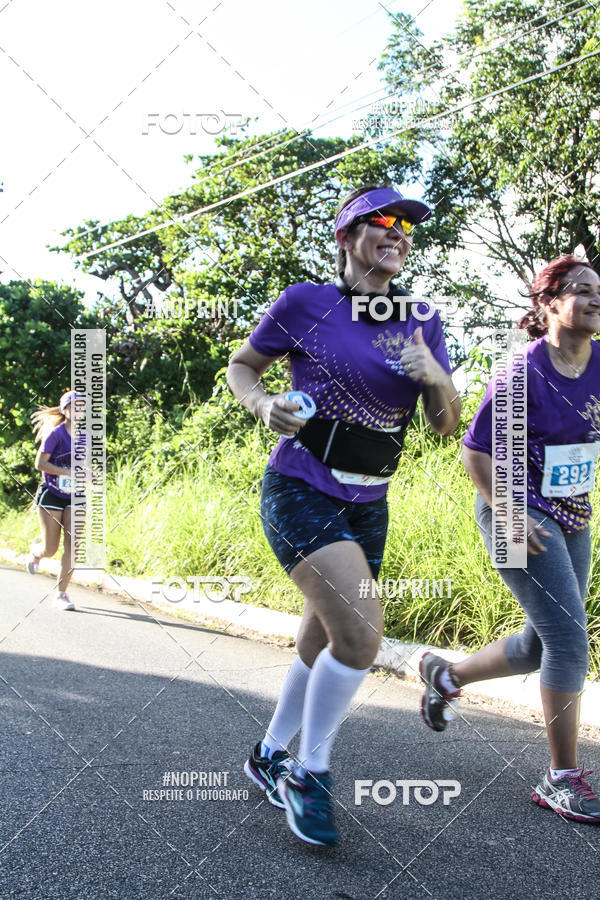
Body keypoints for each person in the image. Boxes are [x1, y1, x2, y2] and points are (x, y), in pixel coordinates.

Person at [227, 184, 461, 846]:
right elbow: (243, 367)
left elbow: (446, 424)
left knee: (323, 635)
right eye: (382, 220)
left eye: (406, 226)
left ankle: (268, 754)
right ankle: (310, 772)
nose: (397, 232)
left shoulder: (421, 318)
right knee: (359, 636)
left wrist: (435, 376)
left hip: (370, 501)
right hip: (301, 484)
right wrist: (263, 404)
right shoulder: (306, 302)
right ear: (347, 236)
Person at [420, 255, 600, 824]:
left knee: (540, 645)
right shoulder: (521, 371)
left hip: (571, 513)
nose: (596, 298)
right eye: (583, 290)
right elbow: (474, 452)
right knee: (569, 641)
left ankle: (447, 675)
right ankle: (560, 778)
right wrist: (510, 512)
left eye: (599, 290)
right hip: (511, 513)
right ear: (549, 303)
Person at [27, 390, 85, 611]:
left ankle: (61, 594)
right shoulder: (56, 434)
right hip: (52, 492)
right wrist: (67, 472)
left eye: (81, 407)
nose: (78, 410)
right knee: (50, 548)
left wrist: (89, 474)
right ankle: (37, 552)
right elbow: (40, 464)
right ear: (64, 410)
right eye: (73, 406)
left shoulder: (86, 437)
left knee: (73, 544)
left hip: (76, 494)